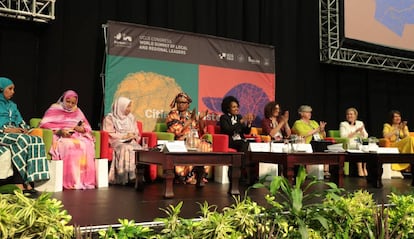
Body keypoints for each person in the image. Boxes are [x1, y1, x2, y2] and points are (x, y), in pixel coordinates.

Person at [0, 77, 49, 194]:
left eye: (13, 89)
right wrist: (7, 129)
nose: (13, 92)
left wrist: (25, 129)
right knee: (22, 140)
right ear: (1, 89)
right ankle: (19, 181)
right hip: (2, 133)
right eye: (10, 89)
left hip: (14, 133)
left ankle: (30, 180)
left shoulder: (13, 105)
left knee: (36, 139)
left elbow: (20, 121)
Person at [39, 90, 96, 190]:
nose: (70, 105)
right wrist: (59, 131)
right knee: (68, 145)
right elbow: (44, 124)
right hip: (59, 135)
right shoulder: (54, 108)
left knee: (86, 145)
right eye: (68, 101)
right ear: (63, 99)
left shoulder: (77, 111)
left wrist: (81, 129)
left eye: (73, 103)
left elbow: (86, 127)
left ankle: (81, 180)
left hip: (75, 135)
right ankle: (69, 179)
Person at [166, 92, 208, 186]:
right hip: (179, 140)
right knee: (192, 144)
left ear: (188, 104)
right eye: (179, 102)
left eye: (183, 102)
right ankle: (186, 176)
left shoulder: (191, 114)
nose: (180, 105)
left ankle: (200, 176)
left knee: (206, 144)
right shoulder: (173, 114)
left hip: (194, 139)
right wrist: (190, 121)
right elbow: (176, 131)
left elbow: (201, 132)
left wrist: (201, 120)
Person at [103, 97, 142, 185]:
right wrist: (124, 136)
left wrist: (133, 135)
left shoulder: (131, 117)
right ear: (121, 106)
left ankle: (136, 175)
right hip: (117, 141)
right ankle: (126, 176)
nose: (129, 109)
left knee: (138, 148)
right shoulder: (110, 118)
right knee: (126, 148)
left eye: (130, 107)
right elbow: (109, 133)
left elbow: (136, 131)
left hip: (130, 141)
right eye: (127, 107)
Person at [219, 95, 255, 182]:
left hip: (240, 141)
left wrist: (249, 124)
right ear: (228, 109)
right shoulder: (224, 118)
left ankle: (248, 172)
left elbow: (246, 132)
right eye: (234, 107)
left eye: (237, 107)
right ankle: (242, 171)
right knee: (243, 144)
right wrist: (241, 122)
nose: (236, 109)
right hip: (230, 141)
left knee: (250, 144)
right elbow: (229, 130)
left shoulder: (238, 117)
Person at [292, 105, 329, 177]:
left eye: (310, 112)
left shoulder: (314, 122)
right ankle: (321, 171)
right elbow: (303, 134)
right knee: (319, 146)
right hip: (306, 142)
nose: (310, 114)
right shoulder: (298, 123)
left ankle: (326, 170)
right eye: (307, 112)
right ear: (301, 113)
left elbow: (323, 136)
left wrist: (322, 130)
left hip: (317, 141)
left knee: (324, 144)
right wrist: (316, 130)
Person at [339, 107, 369, 177]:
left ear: (355, 116)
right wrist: (356, 131)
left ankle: (364, 167)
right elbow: (343, 136)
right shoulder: (343, 124)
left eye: (351, 114)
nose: (349, 116)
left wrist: (361, 132)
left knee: (365, 146)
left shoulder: (360, 123)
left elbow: (366, 136)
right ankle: (359, 168)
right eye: (348, 114)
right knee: (358, 146)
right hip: (348, 142)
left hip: (358, 140)